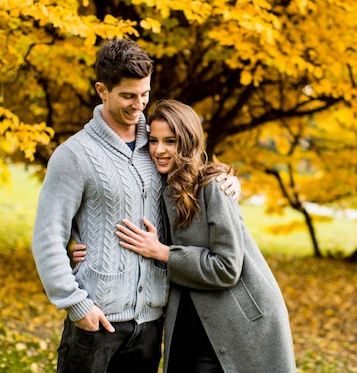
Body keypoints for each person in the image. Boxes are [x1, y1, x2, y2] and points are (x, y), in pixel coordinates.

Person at [31, 38, 239, 373]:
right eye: (128, 95)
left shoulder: (157, 145)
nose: (138, 104)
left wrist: (230, 183)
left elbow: (196, 178)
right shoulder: (74, 155)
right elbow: (47, 238)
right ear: (102, 90)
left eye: (144, 94)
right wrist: (76, 304)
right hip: (96, 320)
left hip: (151, 324)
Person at [113, 99, 297, 373]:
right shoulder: (159, 185)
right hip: (188, 321)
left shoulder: (213, 187)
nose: (160, 150)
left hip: (237, 325)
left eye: (170, 141)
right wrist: (83, 247)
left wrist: (163, 253)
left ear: (187, 142)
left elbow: (227, 268)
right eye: (153, 141)